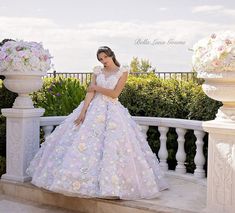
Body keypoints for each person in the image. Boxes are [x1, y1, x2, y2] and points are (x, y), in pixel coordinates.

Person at [26, 46, 168, 200]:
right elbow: (90, 93)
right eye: (100, 59)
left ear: (111, 55)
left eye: (105, 57)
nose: (103, 61)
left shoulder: (123, 72)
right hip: (94, 108)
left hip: (112, 110)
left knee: (111, 146)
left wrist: (96, 87)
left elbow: (115, 94)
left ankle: (111, 185)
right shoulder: (97, 71)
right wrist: (83, 112)